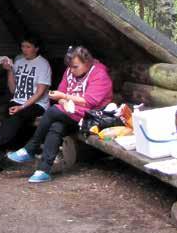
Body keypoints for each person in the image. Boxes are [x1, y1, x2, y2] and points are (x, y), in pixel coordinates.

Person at [7, 45, 113, 183]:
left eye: (76, 67)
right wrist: (64, 100)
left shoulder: (99, 74)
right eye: (70, 67)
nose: (72, 70)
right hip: (72, 113)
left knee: (53, 111)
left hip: (93, 117)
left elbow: (89, 102)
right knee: (57, 126)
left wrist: (64, 97)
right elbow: (61, 93)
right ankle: (43, 170)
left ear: (87, 62)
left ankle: (30, 148)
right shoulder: (70, 70)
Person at [0, 36, 52, 171]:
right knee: (1, 115)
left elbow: (40, 92)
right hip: (17, 100)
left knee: (17, 117)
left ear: (36, 49)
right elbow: (13, 89)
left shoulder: (43, 64)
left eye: (28, 47)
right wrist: (9, 71)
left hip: (36, 104)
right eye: (23, 46)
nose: (24, 50)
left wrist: (22, 107)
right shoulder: (19, 61)